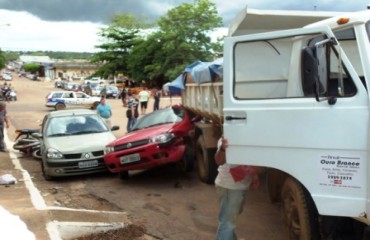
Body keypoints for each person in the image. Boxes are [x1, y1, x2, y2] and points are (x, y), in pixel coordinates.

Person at [214, 136, 260, 240]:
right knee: (227, 223)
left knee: (230, 220)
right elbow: (218, 160)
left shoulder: (250, 140)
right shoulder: (225, 139)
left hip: (240, 187)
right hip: (229, 187)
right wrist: (222, 149)